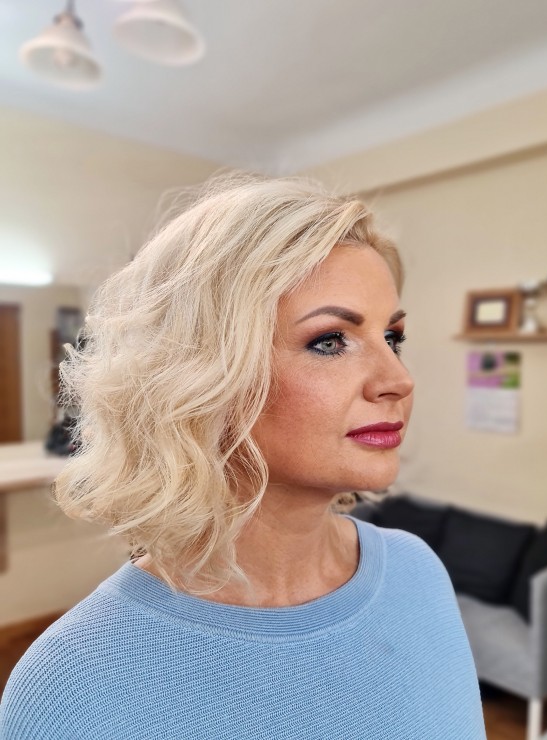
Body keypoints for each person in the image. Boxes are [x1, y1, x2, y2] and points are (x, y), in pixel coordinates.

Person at [0, 174, 485, 739]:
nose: (398, 379)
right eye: (330, 341)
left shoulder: (417, 571)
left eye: (392, 338)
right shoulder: (72, 688)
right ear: (201, 376)